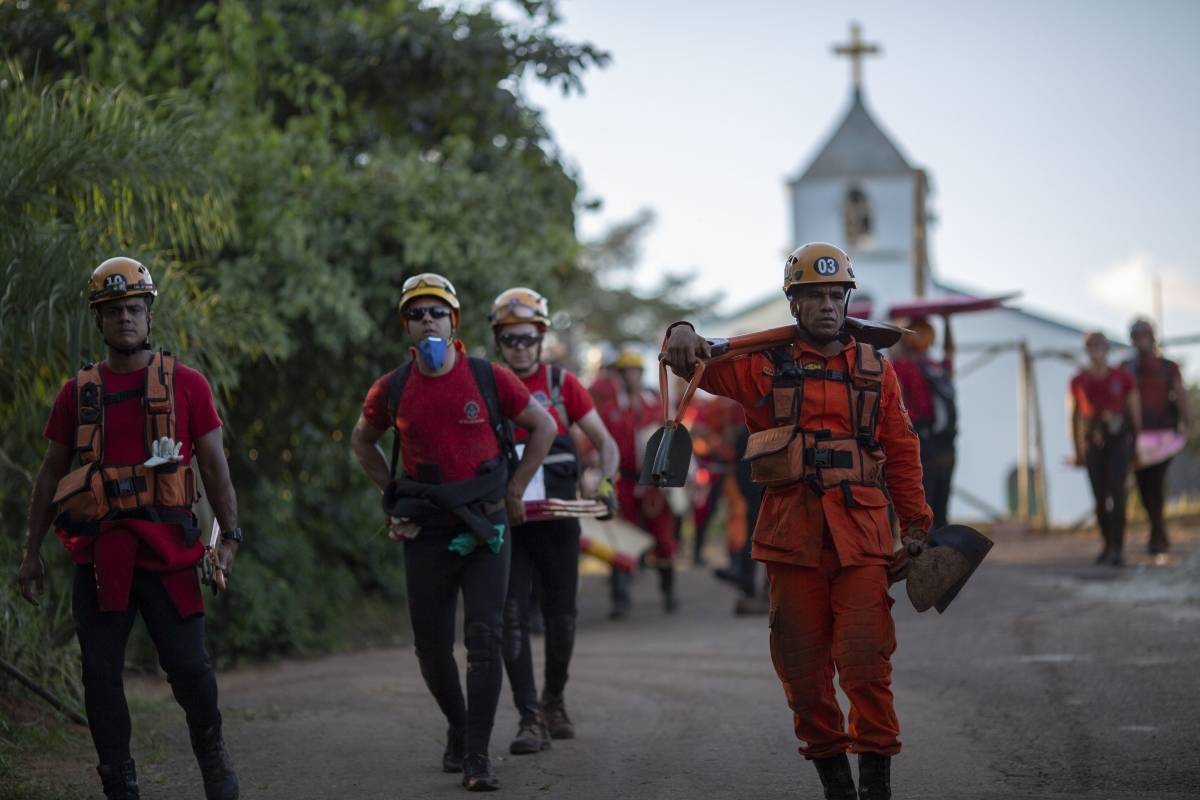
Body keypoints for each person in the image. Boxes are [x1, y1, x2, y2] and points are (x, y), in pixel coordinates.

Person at [662, 242, 932, 800]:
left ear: (847, 300)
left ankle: (875, 789)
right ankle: (837, 788)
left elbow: (902, 452)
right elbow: (684, 359)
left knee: (865, 666)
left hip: (861, 540)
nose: (828, 305)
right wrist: (681, 329)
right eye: (814, 296)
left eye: (837, 294)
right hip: (792, 539)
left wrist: (917, 525)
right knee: (804, 677)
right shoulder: (759, 366)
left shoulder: (876, 372)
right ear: (794, 305)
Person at [16, 257, 242, 800]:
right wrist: (31, 553)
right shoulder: (78, 393)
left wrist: (229, 537)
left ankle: (213, 761)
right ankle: (119, 782)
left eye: (134, 309)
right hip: (102, 555)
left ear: (149, 314)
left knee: (190, 670)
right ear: (99, 320)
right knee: (99, 673)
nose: (125, 319)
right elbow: (50, 475)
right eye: (113, 311)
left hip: (170, 549)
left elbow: (214, 469)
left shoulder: (186, 384)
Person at [350, 273, 556, 792]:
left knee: (484, 640)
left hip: (487, 529)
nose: (426, 321)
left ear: (454, 321)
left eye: (435, 312)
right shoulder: (392, 388)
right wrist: (389, 492)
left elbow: (544, 428)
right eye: (416, 314)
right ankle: (460, 729)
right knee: (431, 648)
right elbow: (363, 442)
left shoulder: (488, 378)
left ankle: (478, 755)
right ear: (406, 326)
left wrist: (515, 490)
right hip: (426, 533)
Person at [487, 287, 620, 754]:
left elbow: (606, 443)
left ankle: (553, 702)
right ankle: (528, 719)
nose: (519, 347)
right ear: (498, 341)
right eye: (509, 339)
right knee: (511, 618)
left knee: (562, 618)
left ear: (540, 337)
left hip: (561, 522)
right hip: (510, 524)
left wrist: (605, 483)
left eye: (526, 338)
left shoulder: (564, 385)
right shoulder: (488, 385)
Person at [591, 349, 680, 618]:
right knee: (621, 539)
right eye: (625, 371)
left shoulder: (657, 404)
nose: (631, 376)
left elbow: (674, 441)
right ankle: (620, 599)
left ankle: (668, 591)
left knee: (663, 539)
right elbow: (599, 445)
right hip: (625, 482)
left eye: (635, 371)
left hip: (656, 484)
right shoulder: (610, 411)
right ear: (619, 375)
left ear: (641, 374)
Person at [1069, 331, 1140, 566]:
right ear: (1087, 350)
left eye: (1100, 346)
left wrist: (1136, 444)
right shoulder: (1079, 381)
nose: (1097, 351)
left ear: (1107, 349)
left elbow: (1133, 410)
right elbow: (1074, 416)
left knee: (1118, 493)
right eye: (1092, 346)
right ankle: (1106, 544)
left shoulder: (1123, 378)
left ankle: (1118, 547)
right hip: (1093, 442)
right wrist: (1078, 449)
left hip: (1118, 441)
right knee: (1099, 497)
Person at [1123, 318, 1190, 555]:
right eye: (1136, 336)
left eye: (1144, 335)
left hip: (1164, 435)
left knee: (1156, 483)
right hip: (1138, 437)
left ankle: (1158, 534)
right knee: (1144, 487)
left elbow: (1180, 394)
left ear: (1152, 337)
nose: (1140, 340)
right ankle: (1157, 530)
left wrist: (1186, 421)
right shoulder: (1126, 368)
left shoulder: (1167, 367)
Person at [889, 316, 957, 530]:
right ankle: (939, 550)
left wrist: (897, 327)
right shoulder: (936, 367)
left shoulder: (906, 367)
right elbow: (950, 353)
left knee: (922, 504)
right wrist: (947, 322)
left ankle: (927, 552)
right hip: (945, 444)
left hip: (925, 443)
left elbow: (894, 356)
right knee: (940, 505)